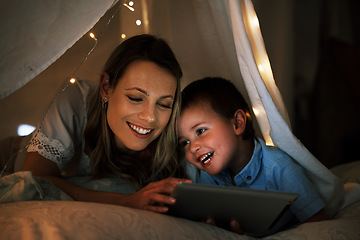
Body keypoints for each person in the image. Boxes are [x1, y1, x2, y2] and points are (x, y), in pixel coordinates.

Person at [21, 34, 191, 213]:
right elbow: (33, 181)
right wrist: (126, 201)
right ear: (106, 88)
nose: (150, 117)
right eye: (135, 98)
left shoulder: (179, 127)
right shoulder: (75, 99)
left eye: (164, 104)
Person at [178, 77, 328, 234]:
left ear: (237, 123)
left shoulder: (280, 167)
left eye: (200, 131)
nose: (193, 147)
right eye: (184, 142)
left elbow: (319, 224)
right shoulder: (207, 176)